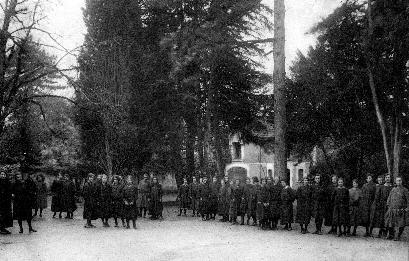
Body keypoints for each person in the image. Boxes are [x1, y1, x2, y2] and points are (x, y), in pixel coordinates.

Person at [384, 176, 409, 241]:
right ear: (395, 181)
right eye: (397, 180)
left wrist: (407, 208)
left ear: (402, 181)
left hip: (401, 210)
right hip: (392, 209)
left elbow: (408, 200)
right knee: (390, 222)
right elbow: (389, 198)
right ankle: (391, 235)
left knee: (401, 223)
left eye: (400, 180)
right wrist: (388, 205)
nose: (398, 182)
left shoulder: (405, 190)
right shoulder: (393, 189)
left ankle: (398, 235)